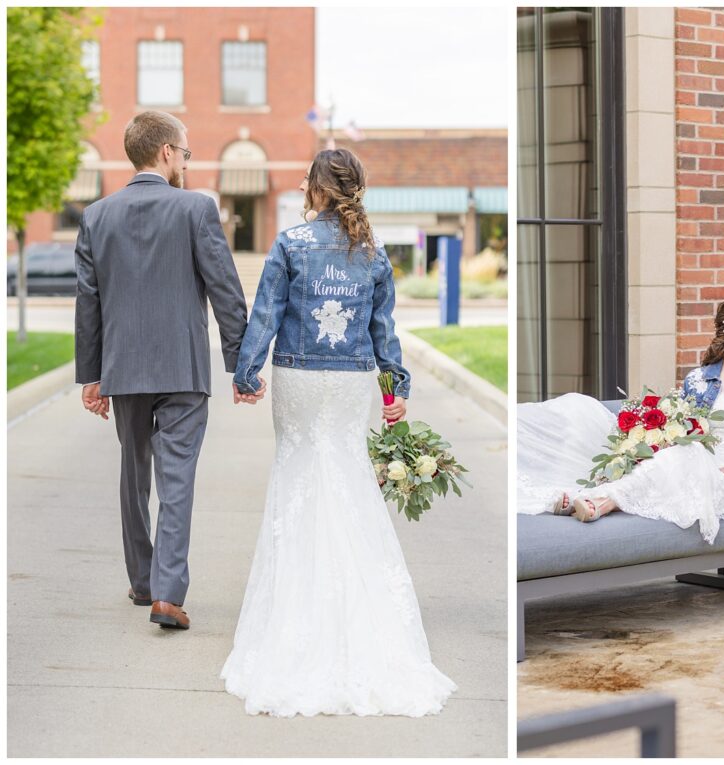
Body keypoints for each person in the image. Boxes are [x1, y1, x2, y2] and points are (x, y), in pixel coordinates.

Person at [220, 148, 456, 717]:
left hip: (299, 380)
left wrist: (246, 371)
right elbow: (384, 331)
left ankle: (298, 618)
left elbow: (266, 315)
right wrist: (395, 388)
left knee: (298, 479)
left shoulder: (291, 244)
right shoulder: (373, 254)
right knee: (346, 480)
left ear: (319, 189)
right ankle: (360, 615)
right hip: (351, 385)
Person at [75, 110, 252, 632]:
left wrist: (92, 375)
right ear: (167, 153)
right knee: (176, 479)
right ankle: (167, 596)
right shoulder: (197, 209)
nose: (187, 162)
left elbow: (89, 301)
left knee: (133, 473)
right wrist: (241, 364)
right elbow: (225, 289)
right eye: (187, 152)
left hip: (123, 368)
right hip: (182, 368)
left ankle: (143, 579)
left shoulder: (96, 215)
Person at [518, 291, 724, 545]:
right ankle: (594, 496)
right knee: (680, 452)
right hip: (694, 465)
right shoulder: (699, 380)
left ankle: (602, 502)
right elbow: (680, 432)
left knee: (686, 455)